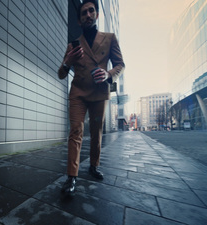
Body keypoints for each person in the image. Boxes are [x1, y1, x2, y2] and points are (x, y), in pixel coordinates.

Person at [58, 0, 125, 196]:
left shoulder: (110, 38)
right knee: (76, 130)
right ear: (79, 20)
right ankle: (71, 176)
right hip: (78, 92)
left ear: (96, 14)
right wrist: (67, 62)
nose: (88, 14)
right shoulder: (73, 45)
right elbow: (61, 74)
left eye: (91, 11)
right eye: (84, 13)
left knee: (96, 131)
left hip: (99, 93)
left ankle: (94, 166)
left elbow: (120, 64)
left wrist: (108, 75)